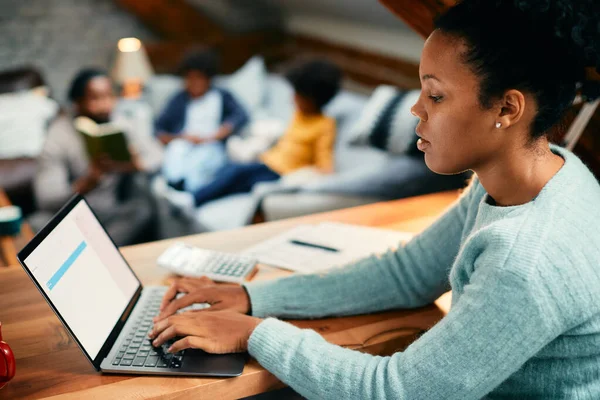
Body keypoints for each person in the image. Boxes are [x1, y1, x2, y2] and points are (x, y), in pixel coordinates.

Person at [149, 0, 600, 398]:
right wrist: (252, 297)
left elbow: (398, 391)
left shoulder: (526, 259)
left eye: (436, 95)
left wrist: (255, 333)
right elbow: (405, 274)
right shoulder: (548, 171)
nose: (416, 109)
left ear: (507, 108)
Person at [32, 68, 162, 246]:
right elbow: (46, 199)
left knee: (143, 209)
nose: (105, 105)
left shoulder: (119, 123)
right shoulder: (57, 136)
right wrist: (87, 183)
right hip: (73, 216)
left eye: (109, 96)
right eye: (95, 98)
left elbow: (157, 155)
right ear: (77, 103)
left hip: (113, 212)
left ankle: (94, 252)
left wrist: (134, 164)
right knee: (36, 224)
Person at [190, 59, 341, 207]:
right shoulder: (299, 115)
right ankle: (193, 193)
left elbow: (325, 162)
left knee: (236, 174)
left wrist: (322, 173)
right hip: (266, 161)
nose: (293, 98)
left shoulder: (325, 124)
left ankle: (192, 200)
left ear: (313, 99)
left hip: (280, 173)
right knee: (228, 169)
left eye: (299, 96)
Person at [156, 50, 249, 193]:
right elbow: (159, 128)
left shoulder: (221, 96)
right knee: (176, 152)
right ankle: (173, 186)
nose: (194, 83)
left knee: (202, 162)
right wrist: (182, 137)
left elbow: (241, 115)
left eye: (198, 78)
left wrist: (221, 132)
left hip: (211, 143)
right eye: (189, 78)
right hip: (185, 142)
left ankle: (191, 191)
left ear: (208, 78)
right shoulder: (179, 99)